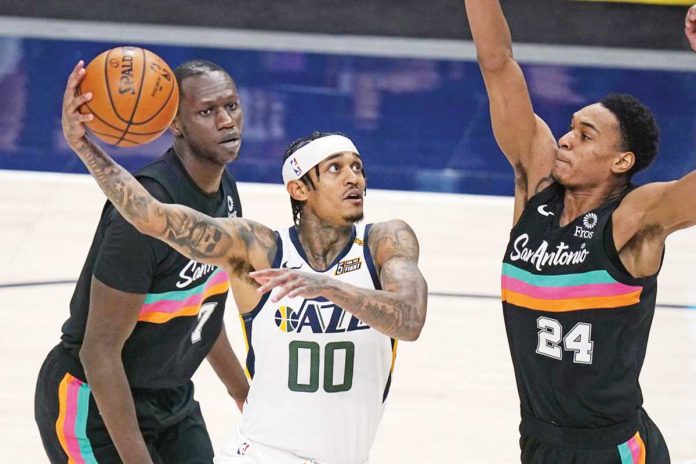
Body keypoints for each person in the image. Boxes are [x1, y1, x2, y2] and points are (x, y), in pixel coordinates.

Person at [60, 59, 428, 464]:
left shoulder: (385, 240)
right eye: (335, 169)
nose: (353, 178)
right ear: (299, 188)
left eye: (357, 167)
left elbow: (409, 320)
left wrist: (327, 287)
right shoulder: (256, 247)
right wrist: (84, 147)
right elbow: (153, 216)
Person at [464, 1, 696, 463]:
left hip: (613, 449)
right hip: (538, 439)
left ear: (621, 162)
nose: (566, 139)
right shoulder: (536, 185)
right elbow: (497, 63)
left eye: (585, 135)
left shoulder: (635, 217)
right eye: (570, 128)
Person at [35, 59, 250, 464]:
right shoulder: (141, 217)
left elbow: (203, 309)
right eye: (207, 111)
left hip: (171, 398)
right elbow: (99, 352)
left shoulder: (227, 192)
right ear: (176, 124)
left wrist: (245, 396)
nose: (227, 121)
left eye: (232, 106)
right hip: (95, 404)